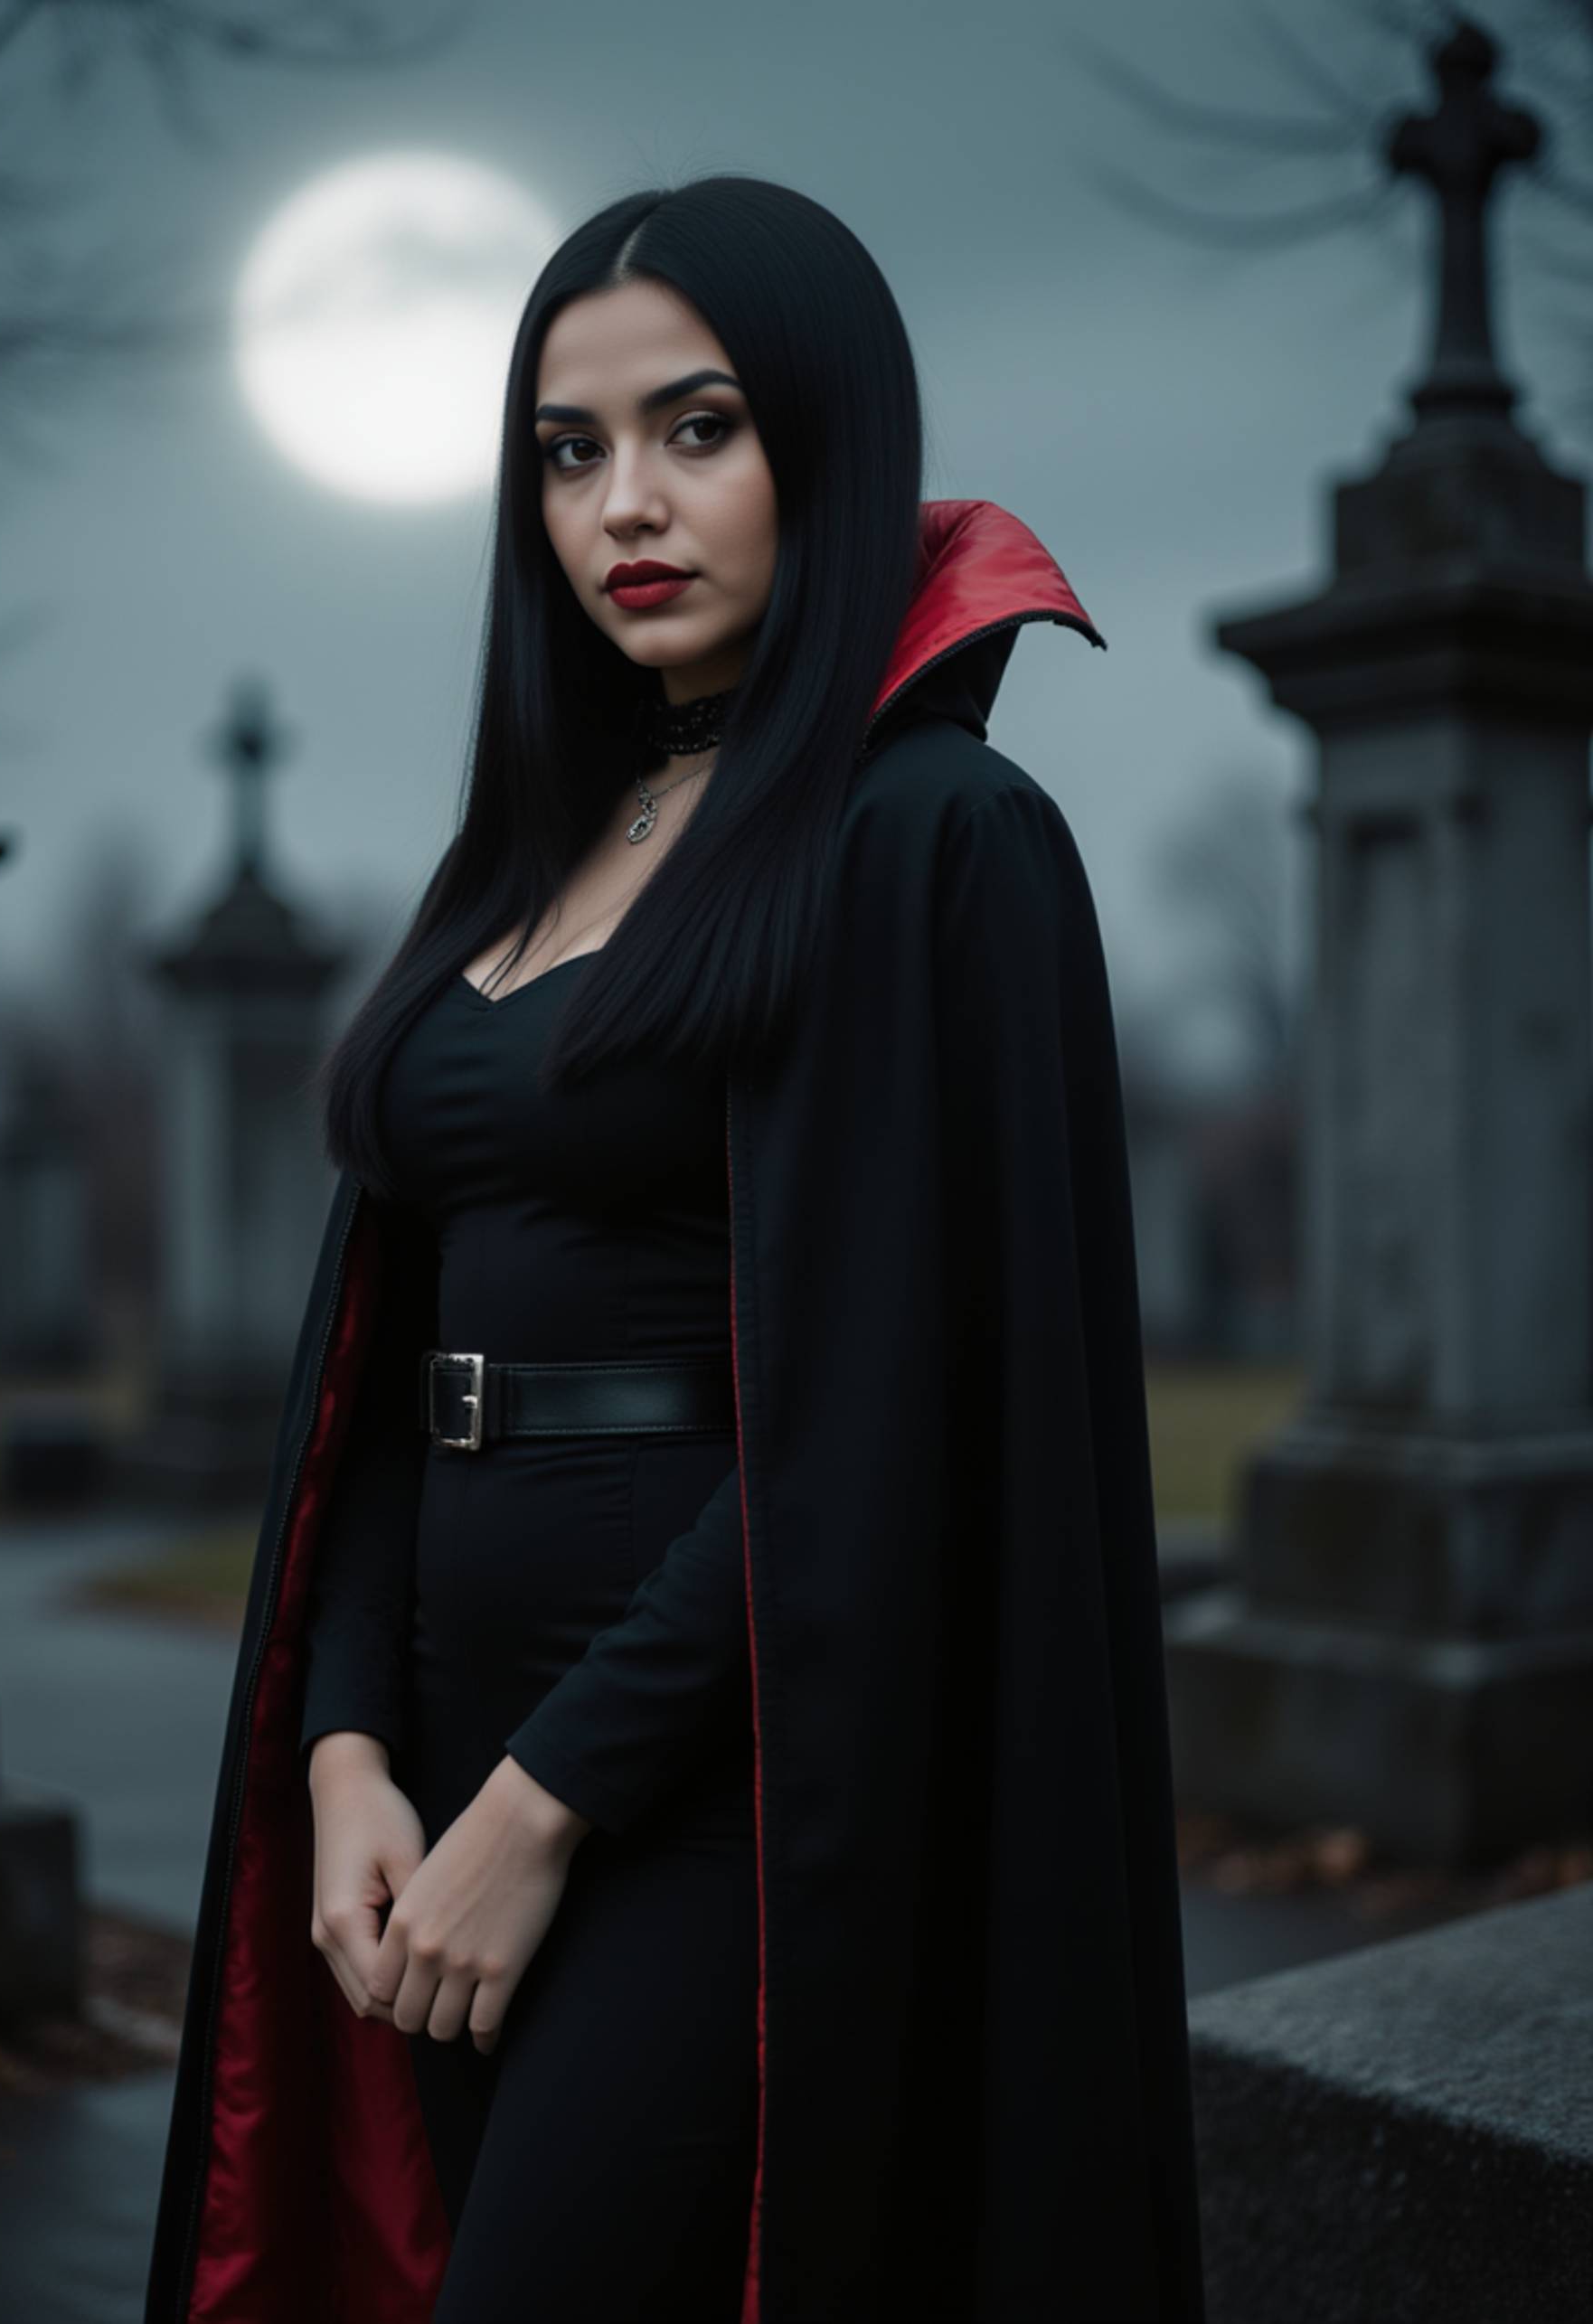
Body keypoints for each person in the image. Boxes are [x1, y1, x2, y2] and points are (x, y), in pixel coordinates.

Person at [146, 173, 1206, 2324]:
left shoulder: (936, 842)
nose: (625, 500)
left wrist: (548, 1799)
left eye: (695, 428)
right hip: (428, 1743)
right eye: (568, 449)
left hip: (733, 1768)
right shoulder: (534, 845)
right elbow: (386, 1357)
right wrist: (349, 1747)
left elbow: (884, 1409)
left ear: (830, 440)